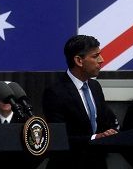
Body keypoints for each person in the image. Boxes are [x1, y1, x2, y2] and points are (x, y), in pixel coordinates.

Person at [41, 34, 119, 169]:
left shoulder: (95, 87)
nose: (101, 60)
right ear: (79, 60)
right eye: (95, 56)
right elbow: (59, 137)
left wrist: (110, 132)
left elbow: (107, 120)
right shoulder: (55, 92)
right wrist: (95, 138)